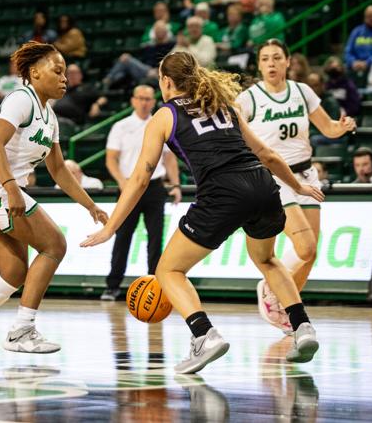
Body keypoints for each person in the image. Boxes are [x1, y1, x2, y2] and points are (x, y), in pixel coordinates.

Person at [82, 51, 324, 373]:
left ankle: (203, 334)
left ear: (166, 81)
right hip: (263, 186)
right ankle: (302, 326)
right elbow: (266, 154)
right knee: (267, 259)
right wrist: (299, 185)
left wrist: (111, 226)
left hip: (223, 193)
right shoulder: (223, 105)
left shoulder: (164, 116)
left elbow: (140, 178)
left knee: (168, 270)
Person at [0, 41, 108, 356]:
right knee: (55, 245)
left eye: (66, 72)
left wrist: (90, 204)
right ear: (34, 72)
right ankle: (22, 330)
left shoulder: (49, 117)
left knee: (13, 273)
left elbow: (58, 170)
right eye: (58, 70)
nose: (64, 78)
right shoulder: (20, 100)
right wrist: (12, 187)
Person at [237, 39, 355, 333]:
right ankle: (270, 286)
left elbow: (327, 127)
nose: (272, 63)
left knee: (310, 254)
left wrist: (340, 128)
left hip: (306, 174)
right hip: (274, 177)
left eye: (277, 57)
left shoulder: (302, 92)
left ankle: (285, 302)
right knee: (305, 246)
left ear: (288, 61)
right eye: (265, 59)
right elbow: (234, 133)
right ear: (259, 65)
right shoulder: (250, 98)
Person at [101, 84, 181, 301]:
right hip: (129, 186)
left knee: (156, 238)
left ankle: (156, 285)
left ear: (153, 101)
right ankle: (113, 285)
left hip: (155, 186)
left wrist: (175, 185)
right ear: (133, 101)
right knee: (122, 236)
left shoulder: (160, 122)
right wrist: (122, 182)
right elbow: (111, 159)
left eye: (148, 98)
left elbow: (169, 158)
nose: (145, 102)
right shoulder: (121, 126)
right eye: (141, 98)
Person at [103, 21, 176, 90]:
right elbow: (141, 60)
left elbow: (170, 64)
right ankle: (109, 79)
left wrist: (158, 71)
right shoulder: (149, 46)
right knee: (125, 59)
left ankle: (109, 80)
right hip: (145, 71)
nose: (158, 33)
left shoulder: (172, 45)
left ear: (166, 31)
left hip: (159, 74)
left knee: (124, 67)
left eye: (160, 30)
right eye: (157, 31)